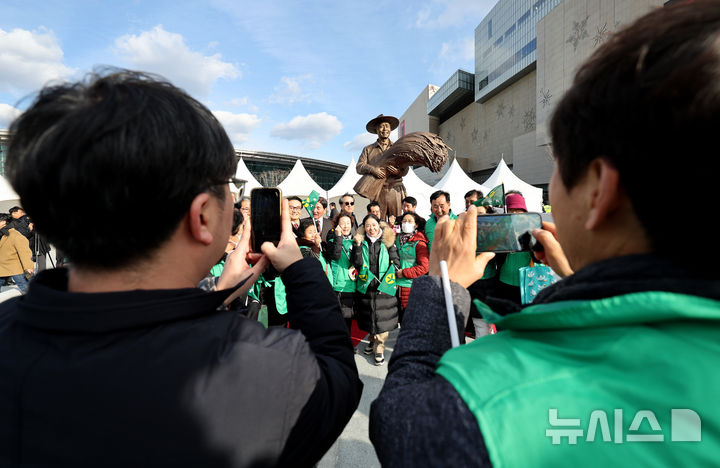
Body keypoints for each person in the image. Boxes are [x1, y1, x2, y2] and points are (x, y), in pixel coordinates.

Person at [369, 3, 720, 465]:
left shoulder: (495, 389)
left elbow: (401, 422)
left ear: (598, 190)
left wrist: (441, 288)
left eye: (556, 170)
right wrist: (584, 284)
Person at [0, 70, 362, 467]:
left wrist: (214, 303)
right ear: (203, 216)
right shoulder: (255, 367)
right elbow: (337, 377)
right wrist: (298, 268)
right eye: (227, 185)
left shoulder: (9, 326)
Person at [351, 214, 399, 366]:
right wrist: (358, 246)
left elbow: (396, 262)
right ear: (363, 228)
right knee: (370, 316)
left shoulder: (387, 241)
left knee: (382, 318)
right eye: (367, 226)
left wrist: (389, 278)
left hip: (383, 287)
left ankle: (380, 347)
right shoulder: (361, 241)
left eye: (374, 225)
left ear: (379, 225)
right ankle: (372, 340)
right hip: (366, 286)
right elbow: (357, 264)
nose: (371, 228)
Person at [356, 114, 408, 220]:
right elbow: (359, 167)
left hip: (395, 190)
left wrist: (397, 172)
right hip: (377, 190)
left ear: (390, 129)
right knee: (377, 220)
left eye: (387, 126)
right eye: (381, 126)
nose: (384, 129)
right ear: (376, 130)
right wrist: (372, 169)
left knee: (396, 220)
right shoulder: (368, 149)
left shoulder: (398, 147)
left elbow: (405, 169)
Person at [326, 213, 357, 333]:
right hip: (337, 284)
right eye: (342, 223)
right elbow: (335, 255)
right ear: (337, 225)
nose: (345, 226)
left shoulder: (356, 241)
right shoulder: (332, 240)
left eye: (348, 223)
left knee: (348, 317)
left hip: (351, 284)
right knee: (337, 318)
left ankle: (347, 342)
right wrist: (338, 237)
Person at [394, 212, 428, 318]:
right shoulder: (397, 239)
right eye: (404, 221)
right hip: (396, 286)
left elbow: (424, 267)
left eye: (409, 221)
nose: (406, 224)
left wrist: (404, 273)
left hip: (411, 286)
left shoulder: (419, 242)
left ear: (416, 225)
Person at [0, 213, 34, 293]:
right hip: (2, 267)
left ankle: (36, 303)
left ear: (3, 222)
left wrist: (28, 267)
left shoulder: (15, 235)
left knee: (26, 289)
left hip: (15, 268)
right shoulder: (2, 234)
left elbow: (24, 252)